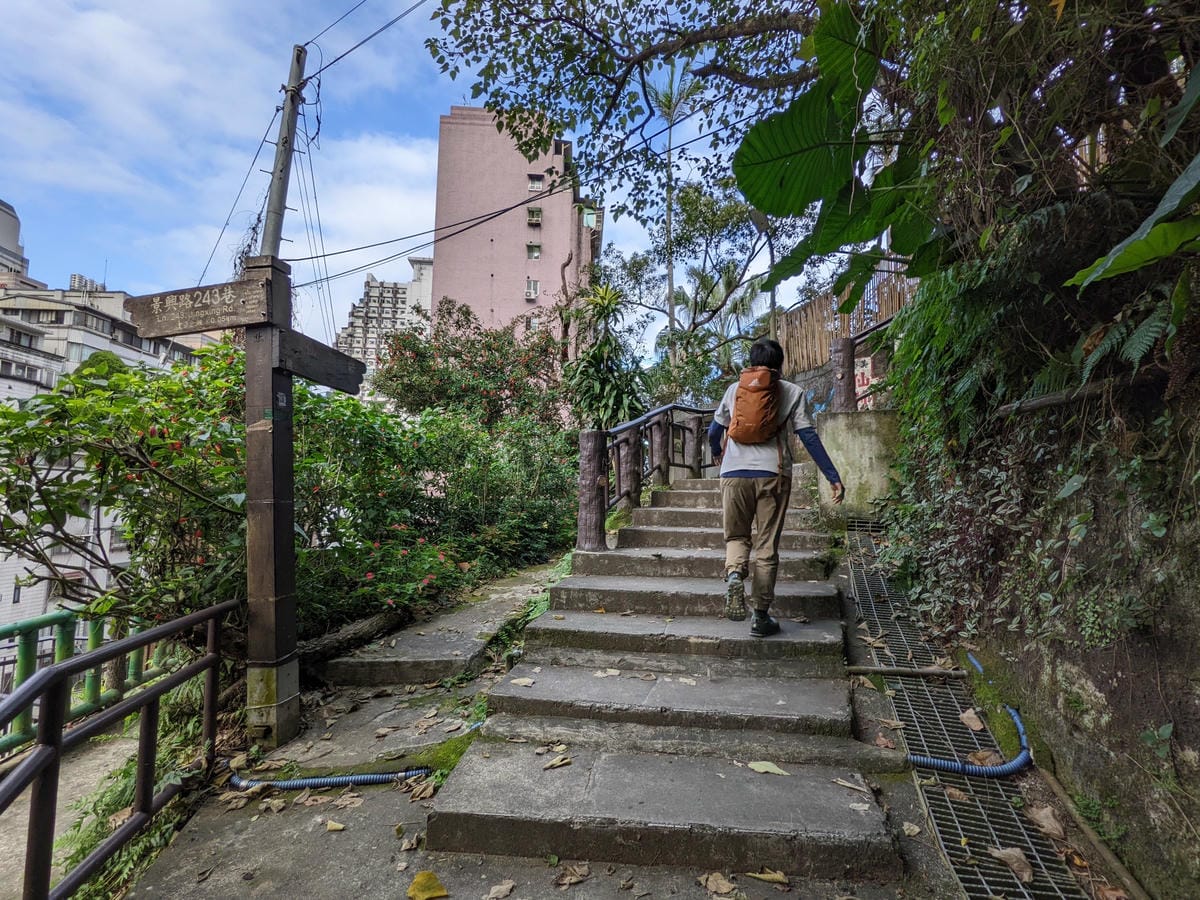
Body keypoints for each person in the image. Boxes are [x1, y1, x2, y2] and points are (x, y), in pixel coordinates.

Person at [707, 337, 845, 636]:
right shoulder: (793, 392)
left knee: (737, 536)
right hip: (773, 473)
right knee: (766, 544)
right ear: (780, 364)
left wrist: (716, 452)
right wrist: (831, 475)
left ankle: (734, 575)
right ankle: (760, 616)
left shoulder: (735, 390)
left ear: (752, 361)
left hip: (733, 473)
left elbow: (714, 430)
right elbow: (808, 436)